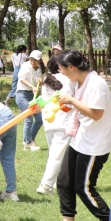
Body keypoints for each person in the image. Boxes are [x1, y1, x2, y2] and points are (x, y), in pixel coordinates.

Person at [49, 50, 111, 221]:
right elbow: (65, 98)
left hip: (95, 145)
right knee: (64, 181)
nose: (61, 73)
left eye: (62, 69)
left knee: (84, 187)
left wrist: (72, 101)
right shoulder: (76, 81)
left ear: (72, 67)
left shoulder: (97, 84)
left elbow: (96, 114)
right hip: (80, 139)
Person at [36, 57, 71, 195]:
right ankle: (46, 185)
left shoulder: (46, 80)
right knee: (56, 155)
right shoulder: (68, 79)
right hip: (63, 120)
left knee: (54, 153)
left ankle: (56, 181)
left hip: (49, 120)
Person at [15, 49, 45, 150]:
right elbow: (21, 79)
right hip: (22, 94)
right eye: (31, 59)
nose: (33, 61)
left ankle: (30, 140)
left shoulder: (39, 69)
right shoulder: (25, 66)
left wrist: (40, 81)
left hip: (33, 96)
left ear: (40, 60)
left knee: (40, 118)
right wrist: (32, 86)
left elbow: (40, 81)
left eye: (35, 59)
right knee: (28, 118)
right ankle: (27, 143)